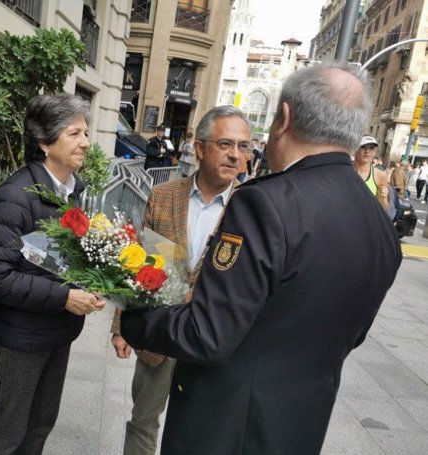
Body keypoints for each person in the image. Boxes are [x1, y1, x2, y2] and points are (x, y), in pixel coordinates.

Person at [120, 63, 402, 455]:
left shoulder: (265, 203)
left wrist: (135, 320)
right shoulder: (379, 224)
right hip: (298, 426)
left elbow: (208, 334)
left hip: (224, 427)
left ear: (283, 118)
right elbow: (352, 335)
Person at [110, 106, 249, 455]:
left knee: (200, 432)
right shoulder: (164, 195)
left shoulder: (251, 208)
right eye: (226, 144)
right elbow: (138, 260)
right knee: (142, 421)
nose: (236, 155)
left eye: (244, 146)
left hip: (210, 342)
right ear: (199, 148)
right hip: (160, 335)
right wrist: (121, 324)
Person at [0, 93, 105, 455]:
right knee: (8, 434)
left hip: (58, 330)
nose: (86, 142)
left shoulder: (72, 192)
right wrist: (66, 297)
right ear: (45, 142)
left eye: (86, 132)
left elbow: (59, 260)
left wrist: (95, 282)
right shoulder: (16, 195)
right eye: (74, 133)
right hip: (23, 337)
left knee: (40, 425)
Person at [353, 135, 390, 210]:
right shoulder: (345, 170)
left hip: (367, 220)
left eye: (371, 148)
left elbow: (384, 208)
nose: (367, 151)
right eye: (363, 147)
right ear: (356, 149)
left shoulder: (380, 175)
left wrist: (383, 198)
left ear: (374, 152)